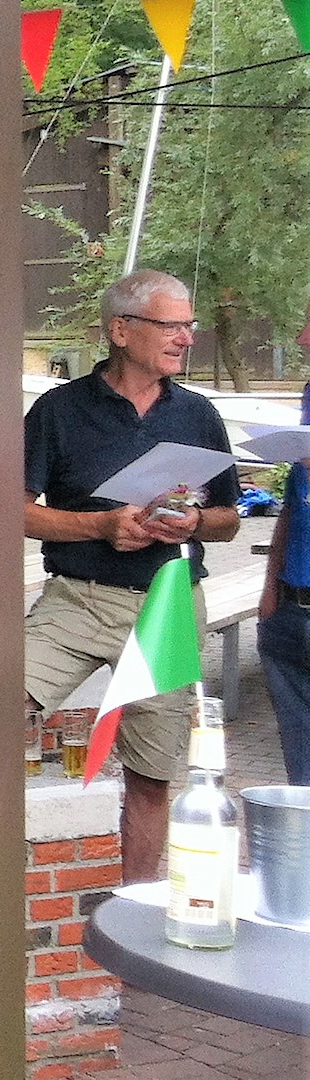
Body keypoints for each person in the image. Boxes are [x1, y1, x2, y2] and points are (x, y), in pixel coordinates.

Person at [24, 269, 237, 879]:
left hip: (168, 606)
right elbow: (12, 510)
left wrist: (193, 522)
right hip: (76, 601)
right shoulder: (59, 410)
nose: (187, 338)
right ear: (120, 330)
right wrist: (100, 526)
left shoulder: (198, 413)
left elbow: (228, 519)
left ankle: (136, 910)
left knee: (151, 776)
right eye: (172, 326)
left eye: (189, 326)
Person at [255, 294, 310, 782]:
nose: (302, 339)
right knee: (300, 767)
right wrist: (270, 588)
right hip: (290, 611)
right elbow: (294, 502)